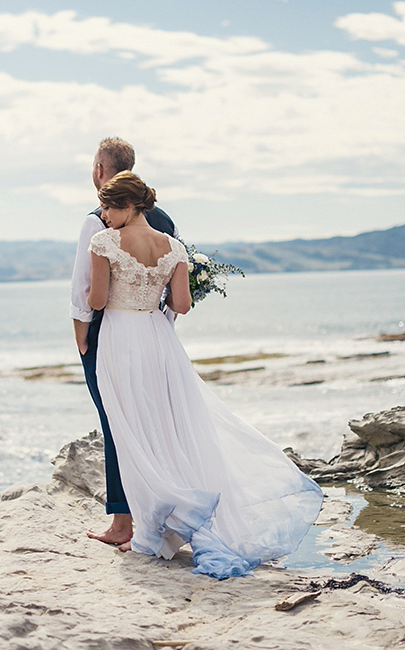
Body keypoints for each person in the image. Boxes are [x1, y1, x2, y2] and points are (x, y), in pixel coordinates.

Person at [87, 171, 323, 578]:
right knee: (169, 424)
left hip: (120, 338)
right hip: (159, 340)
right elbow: (181, 305)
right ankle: (162, 520)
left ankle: (163, 514)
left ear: (127, 206)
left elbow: (96, 298)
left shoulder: (103, 243)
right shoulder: (174, 247)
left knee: (130, 428)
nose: (104, 215)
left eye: (108, 207)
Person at [70, 138, 175, 546]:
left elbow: (84, 291)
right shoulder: (166, 222)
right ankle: (160, 515)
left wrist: (82, 339)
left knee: (115, 422)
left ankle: (122, 523)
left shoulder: (97, 222)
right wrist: (160, 328)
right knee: (153, 422)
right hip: (155, 336)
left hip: (108, 334)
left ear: (99, 169)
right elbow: (176, 291)